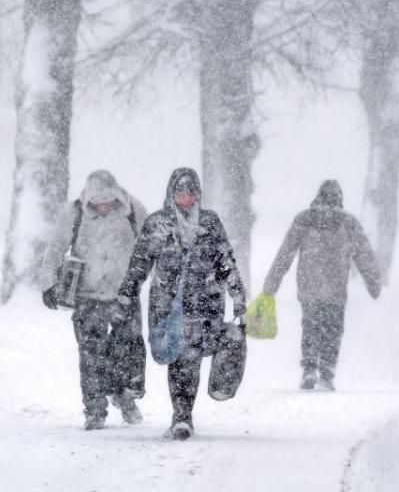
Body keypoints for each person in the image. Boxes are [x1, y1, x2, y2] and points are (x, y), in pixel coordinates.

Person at [114, 167, 246, 440]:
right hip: (168, 305)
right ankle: (182, 415)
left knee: (191, 358)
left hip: (206, 303)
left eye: (191, 193)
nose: (186, 199)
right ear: (171, 194)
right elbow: (139, 263)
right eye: (180, 194)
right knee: (180, 359)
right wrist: (127, 293)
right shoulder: (157, 224)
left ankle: (183, 415)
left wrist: (238, 294)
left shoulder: (209, 223)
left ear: (198, 195)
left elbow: (225, 261)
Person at [39, 170, 148, 431]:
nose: (102, 206)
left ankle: (124, 395)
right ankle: (95, 409)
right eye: (96, 202)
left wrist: (154, 279)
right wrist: (48, 284)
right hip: (87, 296)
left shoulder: (134, 210)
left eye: (107, 201)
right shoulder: (74, 212)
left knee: (127, 350)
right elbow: (55, 247)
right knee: (90, 355)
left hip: (125, 293)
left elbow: (150, 247)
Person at [257, 180, 380, 391]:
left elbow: (285, 254)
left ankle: (309, 368)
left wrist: (271, 285)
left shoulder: (304, 219)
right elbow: (365, 256)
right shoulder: (349, 223)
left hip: (309, 286)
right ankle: (327, 372)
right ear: (339, 199)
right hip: (336, 287)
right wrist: (373, 283)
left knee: (311, 325)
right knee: (333, 328)